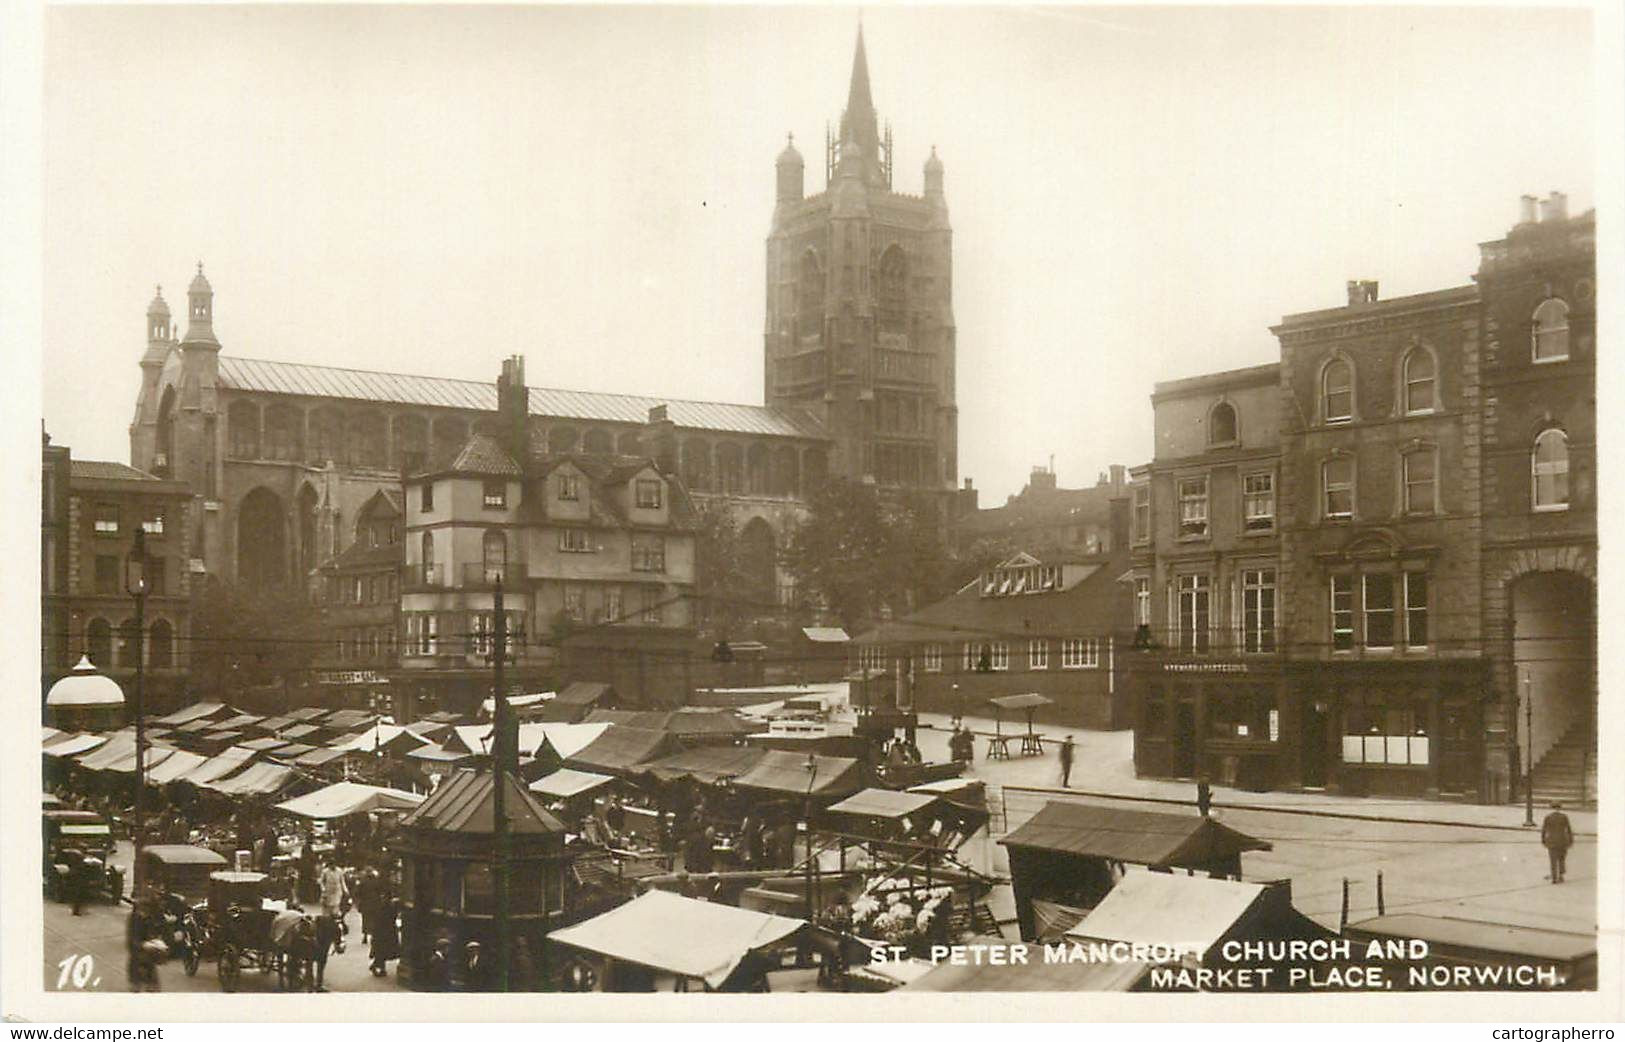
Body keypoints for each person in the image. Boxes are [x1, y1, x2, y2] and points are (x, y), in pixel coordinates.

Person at [319, 858, 349, 951]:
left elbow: (342, 881)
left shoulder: (339, 871)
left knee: (335, 911)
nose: (333, 866)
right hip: (327, 892)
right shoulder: (325, 872)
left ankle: (337, 928)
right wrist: (323, 890)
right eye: (331, 865)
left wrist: (345, 890)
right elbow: (321, 882)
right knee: (326, 912)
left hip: (337, 892)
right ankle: (326, 927)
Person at [1541, 801, 1574, 884]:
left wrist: (1543, 840)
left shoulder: (1548, 817)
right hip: (1562, 840)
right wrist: (1570, 840)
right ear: (1560, 808)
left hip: (1551, 841)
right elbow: (1569, 830)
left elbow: (1544, 830)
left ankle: (1554, 878)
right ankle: (1561, 875)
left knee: (1553, 860)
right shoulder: (1564, 817)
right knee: (1561, 859)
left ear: (1551, 808)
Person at [369, 892, 400, 978]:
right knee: (383, 951)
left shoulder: (380, 907)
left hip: (381, 932)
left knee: (380, 951)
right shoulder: (391, 907)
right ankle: (379, 967)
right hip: (387, 932)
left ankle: (377, 966)